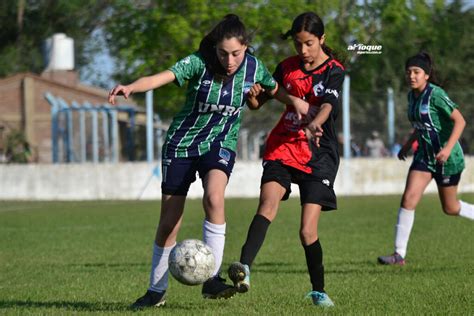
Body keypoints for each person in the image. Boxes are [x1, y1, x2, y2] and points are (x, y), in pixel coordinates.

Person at [108, 14, 309, 309]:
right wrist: (132, 87)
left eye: (236, 53)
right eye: (223, 53)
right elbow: (162, 76)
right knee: (169, 223)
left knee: (215, 198)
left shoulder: (253, 67)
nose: (230, 60)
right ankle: (156, 291)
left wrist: (295, 101)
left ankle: (212, 280)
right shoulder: (198, 62)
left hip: (220, 143)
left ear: (246, 48)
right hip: (181, 144)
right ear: (214, 48)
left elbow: (273, 89)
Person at [227, 12, 345, 307]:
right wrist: (253, 94)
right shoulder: (286, 67)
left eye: (308, 44)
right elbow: (258, 103)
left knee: (307, 231)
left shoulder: (334, 70)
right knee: (267, 205)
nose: (302, 51)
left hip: (319, 153)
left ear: (322, 40)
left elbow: (329, 103)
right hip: (283, 147)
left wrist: (316, 122)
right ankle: (244, 270)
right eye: (297, 44)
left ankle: (319, 291)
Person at [378, 52, 474, 266]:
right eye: (408, 72)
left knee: (450, 208)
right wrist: (407, 144)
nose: (411, 76)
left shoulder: (436, 95)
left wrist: (448, 149)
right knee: (408, 199)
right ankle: (398, 255)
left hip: (447, 159)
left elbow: (460, 121)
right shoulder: (411, 96)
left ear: (427, 75)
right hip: (424, 157)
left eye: (416, 72)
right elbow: (421, 125)